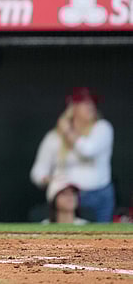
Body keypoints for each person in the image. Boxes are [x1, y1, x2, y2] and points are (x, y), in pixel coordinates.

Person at [30, 87, 115, 223]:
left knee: (101, 235)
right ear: (72, 107)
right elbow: (38, 172)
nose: (90, 106)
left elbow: (88, 151)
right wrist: (52, 181)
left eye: (92, 102)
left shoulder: (102, 127)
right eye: (84, 102)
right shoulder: (54, 137)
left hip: (98, 195)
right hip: (67, 199)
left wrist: (68, 131)